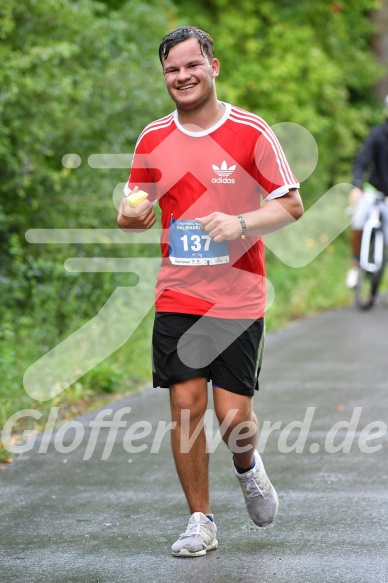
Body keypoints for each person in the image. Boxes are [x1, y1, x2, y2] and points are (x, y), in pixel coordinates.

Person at [117, 26, 304, 557]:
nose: (182, 77)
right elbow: (134, 209)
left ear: (212, 67)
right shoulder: (153, 137)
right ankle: (200, 520)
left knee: (231, 416)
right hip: (179, 292)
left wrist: (241, 223)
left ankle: (247, 467)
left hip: (238, 295)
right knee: (185, 404)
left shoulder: (250, 132)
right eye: (172, 70)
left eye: (191, 66)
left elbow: (290, 205)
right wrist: (132, 216)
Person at [346, 95, 388, 288]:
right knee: (359, 223)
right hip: (374, 190)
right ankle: (355, 265)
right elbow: (363, 159)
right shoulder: (378, 134)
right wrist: (357, 184)